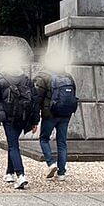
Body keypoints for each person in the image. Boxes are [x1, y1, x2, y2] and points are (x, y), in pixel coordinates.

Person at [0, 53, 40, 190]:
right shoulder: (27, 80)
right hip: (23, 117)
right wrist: (35, 121)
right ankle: (9, 173)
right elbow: (35, 102)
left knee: (13, 145)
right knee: (13, 142)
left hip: (8, 117)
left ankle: (21, 175)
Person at [33, 51, 79, 182]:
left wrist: (35, 118)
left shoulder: (42, 76)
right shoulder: (68, 76)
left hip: (50, 114)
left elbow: (37, 99)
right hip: (65, 113)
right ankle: (62, 173)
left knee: (44, 139)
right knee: (62, 142)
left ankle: (50, 163)